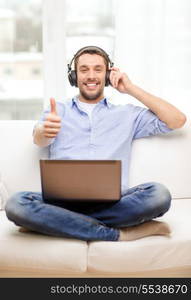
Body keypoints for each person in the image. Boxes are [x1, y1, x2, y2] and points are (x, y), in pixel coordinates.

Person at [5, 46, 186, 241]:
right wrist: (43, 131)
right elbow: (39, 138)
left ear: (108, 75)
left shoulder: (127, 114)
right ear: (74, 76)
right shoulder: (58, 110)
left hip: (114, 203)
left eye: (98, 69)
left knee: (159, 195)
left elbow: (177, 120)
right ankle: (117, 234)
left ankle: (55, 224)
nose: (91, 75)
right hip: (60, 204)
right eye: (84, 70)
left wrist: (130, 88)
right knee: (16, 204)